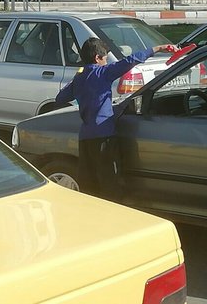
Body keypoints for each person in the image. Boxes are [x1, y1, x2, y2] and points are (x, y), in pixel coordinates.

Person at [55, 37, 176, 200]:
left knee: (89, 182)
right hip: (104, 136)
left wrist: (78, 78)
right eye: (105, 58)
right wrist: (158, 48)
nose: (106, 61)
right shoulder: (103, 72)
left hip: (85, 137)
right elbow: (131, 60)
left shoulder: (79, 77)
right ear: (97, 58)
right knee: (109, 181)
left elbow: (60, 98)